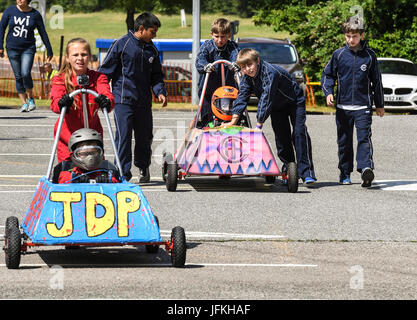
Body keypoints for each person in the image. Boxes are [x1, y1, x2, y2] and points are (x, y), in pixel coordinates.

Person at [224, 48, 317, 185]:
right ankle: (289, 169)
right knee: (281, 137)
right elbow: (242, 97)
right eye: (243, 67)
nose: (248, 69)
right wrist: (233, 120)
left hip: (294, 102)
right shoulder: (247, 78)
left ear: (258, 61)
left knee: (299, 133)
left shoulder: (269, 73)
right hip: (277, 107)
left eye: (250, 65)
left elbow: (266, 99)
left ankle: (307, 173)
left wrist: (259, 124)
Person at [98, 12, 167, 183]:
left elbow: (157, 75)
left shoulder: (152, 49)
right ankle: (122, 173)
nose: (154, 35)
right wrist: (101, 94)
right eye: (152, 31)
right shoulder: (121, 44)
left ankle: (143, 167)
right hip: (123, 100)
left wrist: (160, 91)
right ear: (141, 29)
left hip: (143, 102)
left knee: (145, 137)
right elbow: (104, 72)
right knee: (123, 137)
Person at [321, 17, 384, 187]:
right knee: (344, 141)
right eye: (348, 36)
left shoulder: (370, 56)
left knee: (364, 138)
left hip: (363, 106)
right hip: (343, 106)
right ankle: (344, 172)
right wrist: (328, 92)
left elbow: (376, 81)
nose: (351, 40)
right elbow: (328, 75)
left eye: (354, 36)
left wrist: (379, 104)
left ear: (362, 35)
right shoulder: (339, 55)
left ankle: (365, 169)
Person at [50, 38, 115, 163]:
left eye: (84, 54)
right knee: (69, 174)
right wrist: (62, 103)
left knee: (97, 170)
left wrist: (106, 101)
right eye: (75, 55)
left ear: (89, 57)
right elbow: (55, 103)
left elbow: (107, 94)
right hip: (68, 136)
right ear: (68, 58)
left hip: (93, 136)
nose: (80, 58)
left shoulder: (98, 77)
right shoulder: (59, 79)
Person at [0, 0, 53, 112]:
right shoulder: (10, 11)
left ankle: (30, 98)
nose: (19, 0)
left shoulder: (35, 14)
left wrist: (49, 49)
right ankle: (24, 103)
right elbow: (1, 29)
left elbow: (43, 32)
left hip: (28, 48)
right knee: (18, 76)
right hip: (12, 48)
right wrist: (0, 46)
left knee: (25, 73)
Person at [195, 18, 240, 127]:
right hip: (209, 87)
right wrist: (205, 65)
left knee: (228, 109)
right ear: (212, 34)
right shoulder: (207, 46)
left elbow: (237, 56)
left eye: (223, 37)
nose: (220, 40)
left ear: (229, 35)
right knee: (207, 110)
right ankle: (208, 124)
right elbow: (200, 59)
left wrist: (235, 63)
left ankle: (231, 123)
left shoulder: (232, 46)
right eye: (217, 36)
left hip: (227, 88)